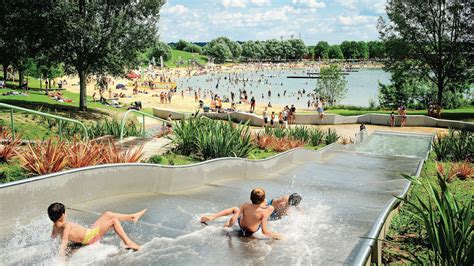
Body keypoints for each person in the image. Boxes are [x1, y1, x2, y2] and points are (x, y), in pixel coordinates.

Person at [48, 202, 145, 258]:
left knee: (108, 214)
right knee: (113, 220)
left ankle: (132, 217)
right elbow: (64, 243)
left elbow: (52, 240)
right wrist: (61, 262)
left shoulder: (55, 226)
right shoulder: (66, 225)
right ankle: (128, 241)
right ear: (63, 215)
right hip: (91, 237)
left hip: (89, 233)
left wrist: (54, 253)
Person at [200, 188, 283, 239]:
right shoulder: (267, 210)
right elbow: (264, 231)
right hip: (252, 230)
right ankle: (260, 205)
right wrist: (276, 236)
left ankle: (213, 217)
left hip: (241, 224)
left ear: (250, 198)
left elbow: (233, 219)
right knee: (262, 213)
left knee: (235, 209)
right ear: (263, 199)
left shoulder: (245, 205)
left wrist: (227, 225)